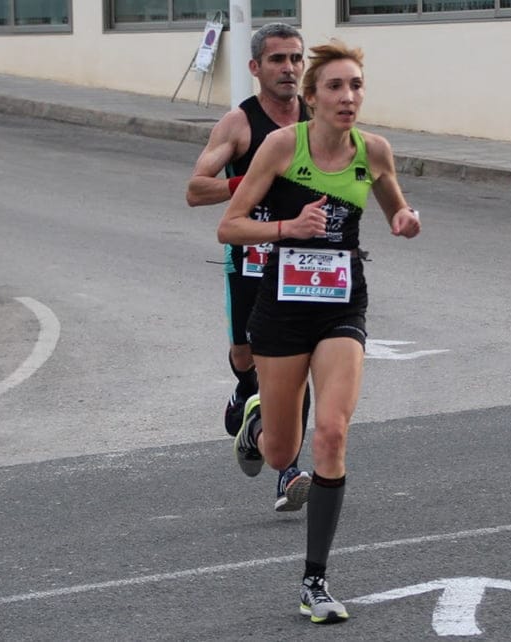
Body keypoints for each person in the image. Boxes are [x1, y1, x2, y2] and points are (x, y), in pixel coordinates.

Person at [217, 39, 421, 624]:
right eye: (334, 86)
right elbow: (228, 228)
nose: (348, 96)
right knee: (283, 449)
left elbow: (395, 211)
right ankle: (260, 423)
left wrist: (405, 220)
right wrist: (287, 227)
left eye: (356, 86)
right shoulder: (283, 147)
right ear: (311, 98)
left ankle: (316, 581)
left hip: (340, 305)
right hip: (280, 310)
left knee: (330, 432)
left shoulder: (374, 151)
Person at [186, 23, 314, 513]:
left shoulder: (317, 118)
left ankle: (287, 471)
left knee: (293, 368)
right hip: (250, 263)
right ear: (255, 67)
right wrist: (253, 177)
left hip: (303, 266)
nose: (289, 68)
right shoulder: (239, 124)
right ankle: (244, 397)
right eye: (278, 59)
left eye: (296, 59)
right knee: (246, 358)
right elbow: (196, 191)